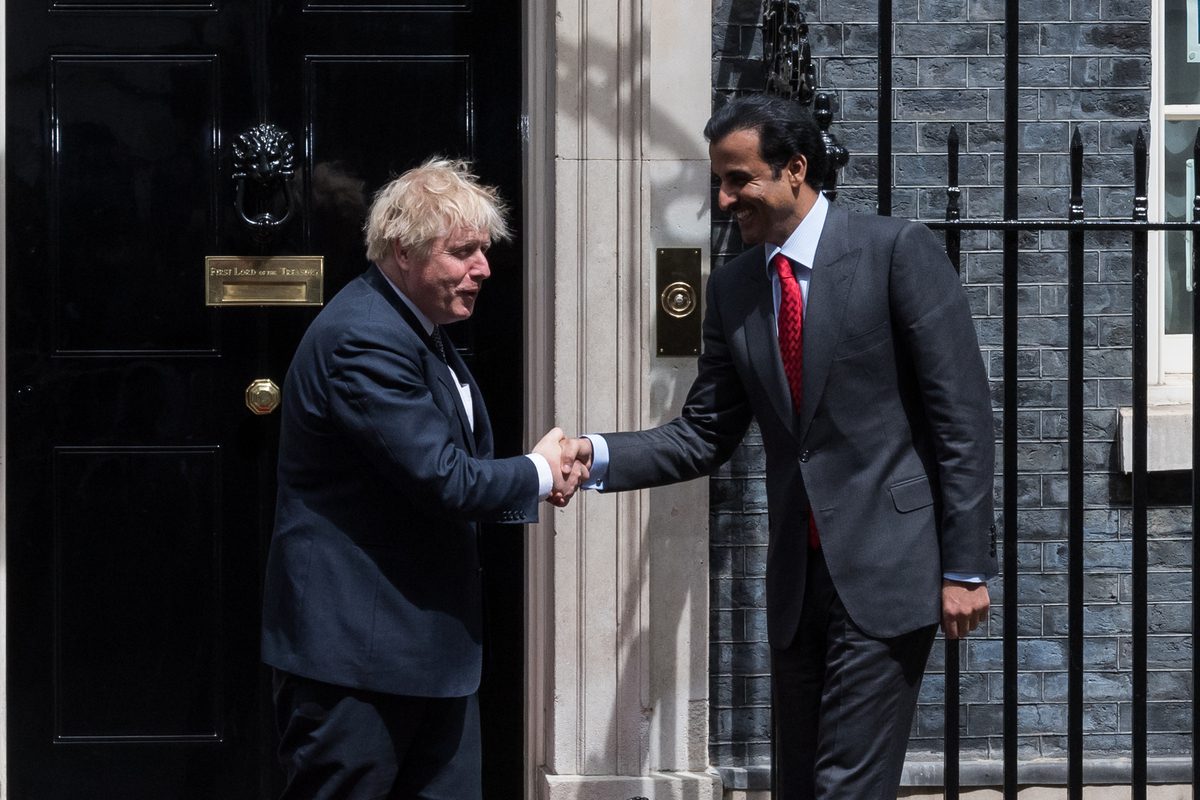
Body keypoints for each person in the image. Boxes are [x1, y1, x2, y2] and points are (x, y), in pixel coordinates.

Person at [559, 95, 997, 799]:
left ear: (795, 169)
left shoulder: (894, 252)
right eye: (720, 184)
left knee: (844, 785)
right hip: (800, 582)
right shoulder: (735, 288)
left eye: (740, 180)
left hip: (889, 568)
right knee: (800, 783)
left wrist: (968, 567)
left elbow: (964, 421)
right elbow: (703, 433)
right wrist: (595, 454)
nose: (727, 199)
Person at [261, 157, 584, 799]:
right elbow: (445, 479)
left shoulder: (420, 330)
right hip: (359, 663)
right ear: (403, 252)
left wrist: (530, 476)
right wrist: (534, 471)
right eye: (462, 252)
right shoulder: (365, 339)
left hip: (428, 653)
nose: (483, 269)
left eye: (484, 251)